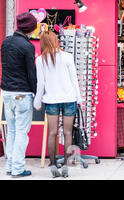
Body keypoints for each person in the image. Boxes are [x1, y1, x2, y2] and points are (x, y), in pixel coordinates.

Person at [33, 31, 82, 178]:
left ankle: (53, 164)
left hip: (51, 100)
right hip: (69, 98)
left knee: (52, 133)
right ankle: (66, 165)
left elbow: (40, 84)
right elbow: (74, 80)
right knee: (67, 133)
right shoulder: (67, 56)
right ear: (56, 41)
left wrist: (37, 102)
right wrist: (79, 99)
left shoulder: (40, 60)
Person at [1, 12, 38, 177]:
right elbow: (31, 74)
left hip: (7, 92)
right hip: (22, 93)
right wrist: (37, 94)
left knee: (12, 131)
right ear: (30, 28)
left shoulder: (5, 42)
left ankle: (10, 166)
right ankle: (17, 168)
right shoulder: (28, 47)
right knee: (22, 132)